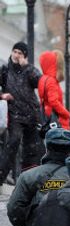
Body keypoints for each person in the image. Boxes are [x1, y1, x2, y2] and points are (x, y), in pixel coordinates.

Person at [0, 42, 43, 184]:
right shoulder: (5, 70)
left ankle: (28, 179)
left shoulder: (28, 70)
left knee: (32, 148)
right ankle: (2, 175)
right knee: (13, 141)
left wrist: (27, 66)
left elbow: (39, 81)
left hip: (32, 114)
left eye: (20, 53)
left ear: (24, 56)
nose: (16, 55)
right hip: (15, 114)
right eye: (15, 51)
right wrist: (2, 95)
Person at [38, 50, 70, 131]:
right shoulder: (52, 81)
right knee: (61, 141)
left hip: (48, 117)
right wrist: (66, 114)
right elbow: (53, 101)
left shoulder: (43, 79)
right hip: (57, 119)